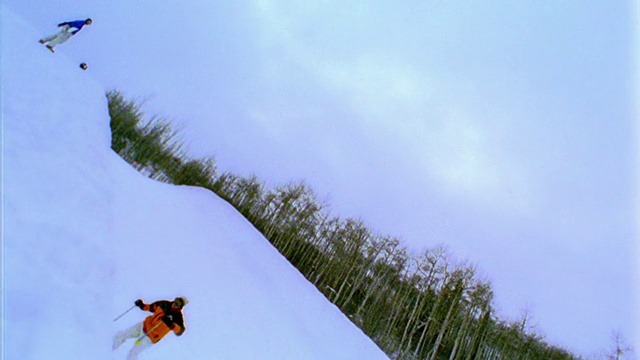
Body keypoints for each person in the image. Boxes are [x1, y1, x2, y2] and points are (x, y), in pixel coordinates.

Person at [113, 297, 188, 359]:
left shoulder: (177, 317)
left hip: (150, 337)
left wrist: (172, 325)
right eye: (175, 302)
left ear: (180, 307)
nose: (175, 305)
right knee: (122, 335)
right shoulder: (164, 304)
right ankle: (111, 351)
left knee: (133, 353)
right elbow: (150, 307)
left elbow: (180, 331)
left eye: (178, 304)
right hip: (143, 326)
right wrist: (141, 305)